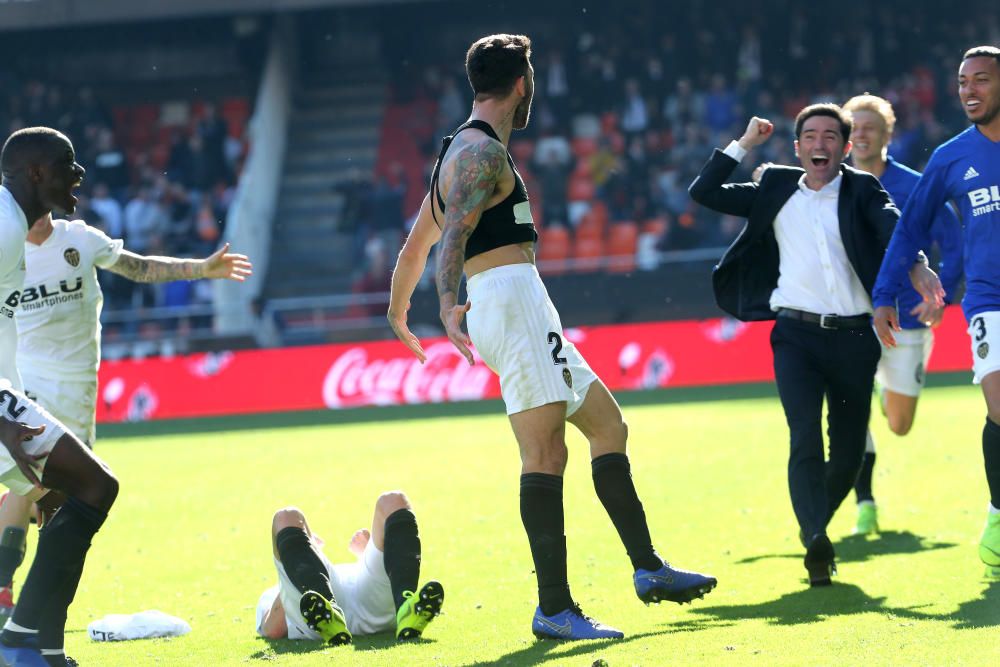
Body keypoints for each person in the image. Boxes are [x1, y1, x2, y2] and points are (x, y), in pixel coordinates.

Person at [388, 34, 715, 641]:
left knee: (608, 427)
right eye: (531, 78)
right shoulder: (479, 153)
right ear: (521, 85)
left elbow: (417, 243)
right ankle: (555, 609)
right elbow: (453, 233)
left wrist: (397, 308)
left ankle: (648, 570)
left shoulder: (458, 153)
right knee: (544, 456)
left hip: (522, 302)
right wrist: (443, 303)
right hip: (509, 301)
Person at [688, 104, 914, 586]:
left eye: (831, 136)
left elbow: (895, 226)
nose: (820, 144)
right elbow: (703, 191)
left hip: (856, 337)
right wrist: (744, 143)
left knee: (850, 452)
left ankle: (813, 525)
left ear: (846, 148)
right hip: (796, 337)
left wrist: (917, 265)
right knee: (804, 436)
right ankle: (816, 538)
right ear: (796, 148)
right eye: (810, 136)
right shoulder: (775, 188)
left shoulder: (862, 188)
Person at [0, 210, 252, 621]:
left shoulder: (79, 239)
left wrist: (200, 269)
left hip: (80, 383)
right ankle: (6, 592)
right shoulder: (6, 247)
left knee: (58, 499)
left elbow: (139, 267)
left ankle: (37, 604)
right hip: (30, 381)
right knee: (29, 486)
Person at [872, 46, 1000, 576]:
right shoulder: (951, 156)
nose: (968, 91)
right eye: (961, 82)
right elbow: (910, 226)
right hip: (991, 303)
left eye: (981, 81)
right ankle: (998, 516)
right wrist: (885, 293)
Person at [0, 126, 119, 667]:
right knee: (91, 487)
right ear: (37, 174)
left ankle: (42, 647)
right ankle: (22, 641)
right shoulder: (4, 227)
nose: (80, 175)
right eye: (69, 164)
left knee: (69, 496)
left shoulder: (14, 226)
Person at [841, 94, 963, 535]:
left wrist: (941, 294)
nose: (861, 133)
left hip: (906, 319)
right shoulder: (827, 184)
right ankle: (865, 503)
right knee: (848, 412)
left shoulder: (915, 185)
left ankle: (883, 391)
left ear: (888, 134)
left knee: (899, 424)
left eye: (870, 126)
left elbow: (953, 240)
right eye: (854, 125)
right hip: (849, 317)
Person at [256, 491, 442, 644]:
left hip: (368, 596)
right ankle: (329, 613)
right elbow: (272, 629)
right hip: (319, 615)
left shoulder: (354, 566)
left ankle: (406, 608)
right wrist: (297, 571)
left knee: (393, 500)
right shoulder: (271, 593)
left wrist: (366, 553)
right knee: (286, 516)